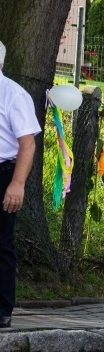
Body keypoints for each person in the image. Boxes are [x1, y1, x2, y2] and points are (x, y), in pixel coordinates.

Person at [0, 40, 41, 328]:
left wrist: (17, 184)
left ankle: (2, 309)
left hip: (3, 174)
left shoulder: (14, 95)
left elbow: (27, 143)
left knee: (0, 243)